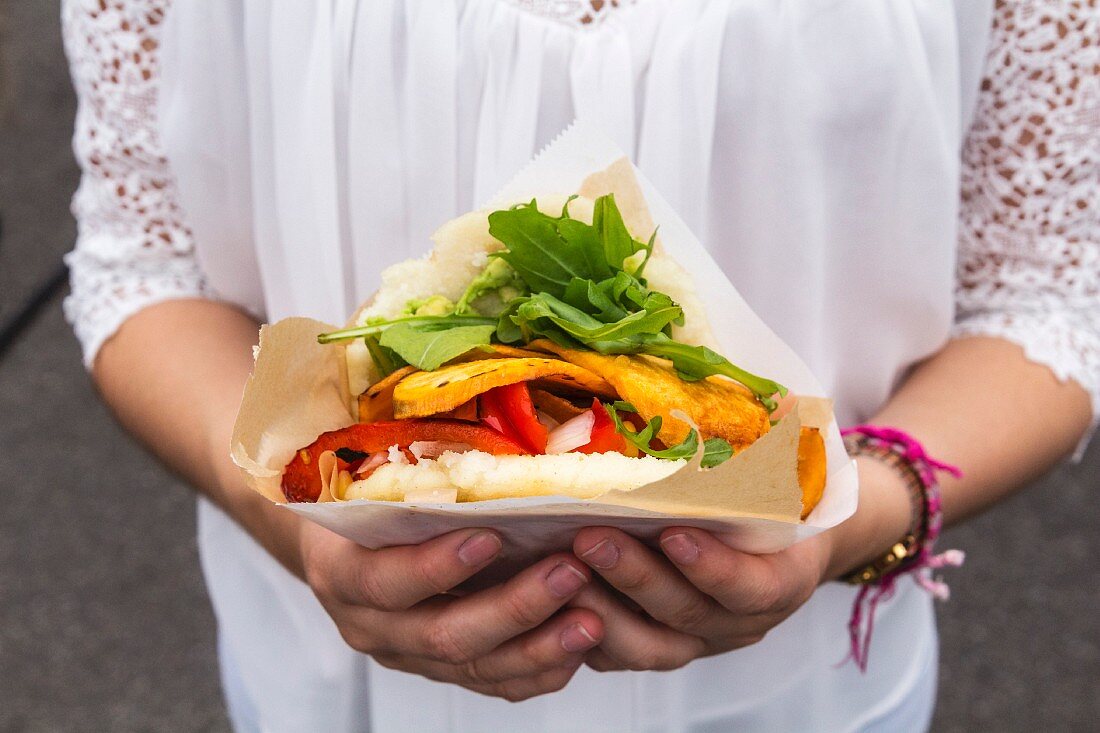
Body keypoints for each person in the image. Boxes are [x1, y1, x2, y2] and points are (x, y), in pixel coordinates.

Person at [62, 0, 1097, 730]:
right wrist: (292, 519)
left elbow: (1044, 297)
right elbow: (141, 265)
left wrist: (852, 517)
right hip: (333, 682)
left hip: (796, 692)